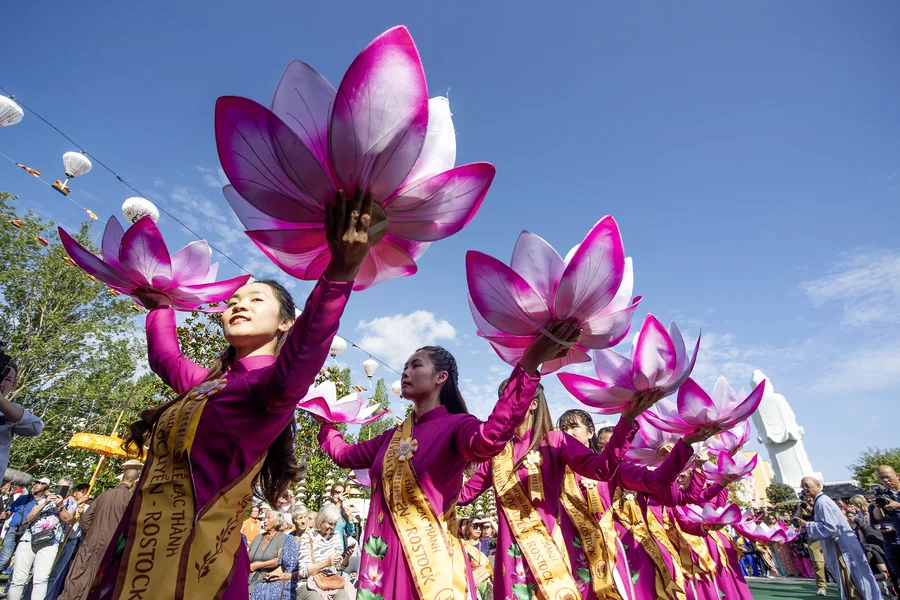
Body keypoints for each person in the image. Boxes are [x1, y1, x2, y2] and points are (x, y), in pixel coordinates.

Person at [88, 190, 374, 600]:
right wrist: (160, 306)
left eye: (256, 300)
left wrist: (341, 271)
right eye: (233, 301)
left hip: (199, 569)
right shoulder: (207, 385)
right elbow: (166, 359)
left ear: (284, 325)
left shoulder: (271, 389)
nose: (238, 306)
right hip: (136, 549)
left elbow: (306, 348)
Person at [319, 323, 580, 600]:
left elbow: (491, 439)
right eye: (405, 365)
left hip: (430, 566)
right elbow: (344, 455)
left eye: (416, 365)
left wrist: (528, 365)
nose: (406, 371)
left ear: (441, 377)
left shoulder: (458, 426)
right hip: (382, 564)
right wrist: (322, 418)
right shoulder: (390, 437)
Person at [556, 408, 722, 600]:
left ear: (590, 432)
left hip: (616, 555)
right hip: (569, 557)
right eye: (563, 428)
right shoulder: (553, 469)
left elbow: (660, 486)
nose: (567, 433)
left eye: (574, 427)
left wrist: (683, 445)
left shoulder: (612, 468)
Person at [58, 464, 141, 600]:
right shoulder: (131, 499)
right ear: (135, 482)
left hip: (91, 541)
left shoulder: (104, 495)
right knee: (99, 580)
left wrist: (92, 532)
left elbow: (85, 519)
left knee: (78, 574)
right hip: (112, 546)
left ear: (122, 479)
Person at [798, 476, 883, 599]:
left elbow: (831, 527)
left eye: (807, 485)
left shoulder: (822, 502)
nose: (805, 489)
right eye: (803, 486)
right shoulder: (821, 501)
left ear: (817, 485)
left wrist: (807, 525)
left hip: (841, 547)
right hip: (839, 545)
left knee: (850, 579)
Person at [8, 476, 77, 600]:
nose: (59, 490)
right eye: (58, 486)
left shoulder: (71, 503)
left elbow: (67, 518)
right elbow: (29, 517)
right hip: (29, 539)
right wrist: (45, 502)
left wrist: (60, 505)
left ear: (70, 490)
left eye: (63, 488)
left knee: (41, 580)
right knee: (18, 579)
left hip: (51, 543)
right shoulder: (44, 499)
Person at [291, 503, 352, 600]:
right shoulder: (307, 537)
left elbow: (339, 567)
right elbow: (302, 572)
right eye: (329, 523)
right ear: (321, 521)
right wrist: (326, 563)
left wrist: (347, 557)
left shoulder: (335, 535)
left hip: (331, 582)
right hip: (309, 583)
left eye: (334, 524)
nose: (332, 527)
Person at [250, 505, 309, 600]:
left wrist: (289, 576)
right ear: (294, 521)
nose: (303, 521)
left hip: (300, 578)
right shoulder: (290, 537)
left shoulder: (311, 537)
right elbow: (282, 565)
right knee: (260, 588)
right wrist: (273, 574)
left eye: (305, 517)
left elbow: (311, 568)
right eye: (299, 518)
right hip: (284, 576)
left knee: (274, 591)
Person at [0, 478, 50, 586]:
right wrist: (5, 514)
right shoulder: (24, 498)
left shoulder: (45, 501)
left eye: (41, 483)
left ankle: (9, 588)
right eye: (36, 482)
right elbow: (10, 510)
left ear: (45, 487)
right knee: (4, 558)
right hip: (14, 529)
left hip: (29, 532)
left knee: (19, 561)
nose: (37, 485)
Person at [46, 482, 92, 599]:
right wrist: (78, 503)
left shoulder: (87, 506)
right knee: (46, 572)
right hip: (60, 538)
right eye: (82, 491)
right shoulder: (69, 501)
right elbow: (66, 516)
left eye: (86, 492)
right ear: (76, 492)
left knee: (57, 574)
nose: (84, 494)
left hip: (72, 541)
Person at [0, 364, 43, 487]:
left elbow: (35, 427)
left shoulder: (10, 410)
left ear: (13, 386)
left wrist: (1, 401)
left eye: (7, 379)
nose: (2, 382)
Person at [873, 466, 900, 585]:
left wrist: (898, 505)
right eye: (881, 478)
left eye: (888, 477)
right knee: (897, 573)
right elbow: (878, 518)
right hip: (892, 541)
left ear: (897, 476)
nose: (886, 481)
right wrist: (878, 505)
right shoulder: (884, 496)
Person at [461, 521, 492, 600]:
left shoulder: (486, 543)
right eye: (475, 526)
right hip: (469, 582)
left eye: (481, 526)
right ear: (468, 528)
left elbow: (503, 537)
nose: (478, 529)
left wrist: (490, 521)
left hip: (485, 581)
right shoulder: (461, 544)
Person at [323, 484, 354, 552]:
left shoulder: (344, 511)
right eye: (337, 492)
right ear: (331, 495)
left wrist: (350, 518)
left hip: (340, 549)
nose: (340, 495)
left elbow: (349, 533)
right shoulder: (325, 508)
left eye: (342, 493)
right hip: (327, 548)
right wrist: (339, 502)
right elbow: (330, 518)